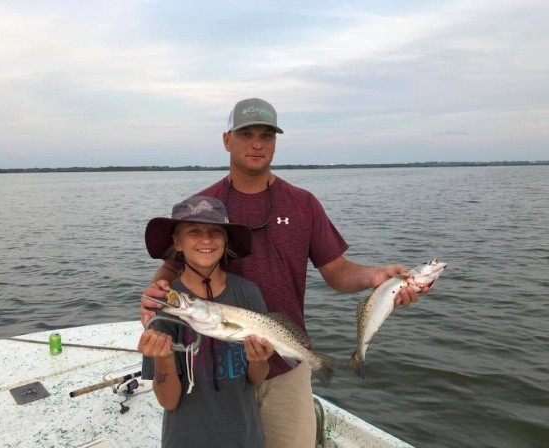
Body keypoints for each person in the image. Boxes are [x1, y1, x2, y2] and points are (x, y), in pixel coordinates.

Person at [140, 98, 426, 448]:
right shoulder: (205, 207)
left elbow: (336, 270)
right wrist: (153, 298)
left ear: (276, 143)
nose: (257, 143)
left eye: (267, 135)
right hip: (221, 371)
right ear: (227, 140)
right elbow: (170, 271)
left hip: (286, 365)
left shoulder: (303, 203)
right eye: (246, 134)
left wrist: (376, 277)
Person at [138, 195, 274, 448]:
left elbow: (258, 378)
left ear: (225, 241)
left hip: (246, 437)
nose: (206, 239)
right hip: (186, 439)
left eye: (215, 232)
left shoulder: (248, 293)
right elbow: (168, 401)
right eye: (194, 231)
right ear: (177, 242)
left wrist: (259, 359)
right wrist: (163, 357)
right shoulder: (165, 306)